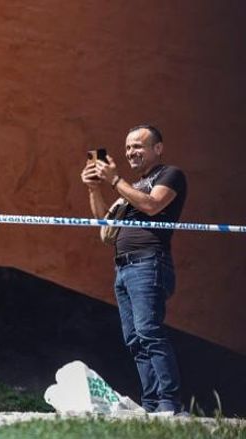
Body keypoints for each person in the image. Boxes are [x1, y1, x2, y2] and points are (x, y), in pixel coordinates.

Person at [80, 124, 187, 414]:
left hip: (149, 263)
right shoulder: (131, 187)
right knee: (135, 340)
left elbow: (152, 205)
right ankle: (152, 405)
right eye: (127, 147)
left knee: (149, 332)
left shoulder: (170, 174)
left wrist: (115, 180)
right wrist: (94, 189)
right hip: (123, 268)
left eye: (138, 146)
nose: (130, 152)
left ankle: (170, 404)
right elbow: (105, 227)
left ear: (158, 149)